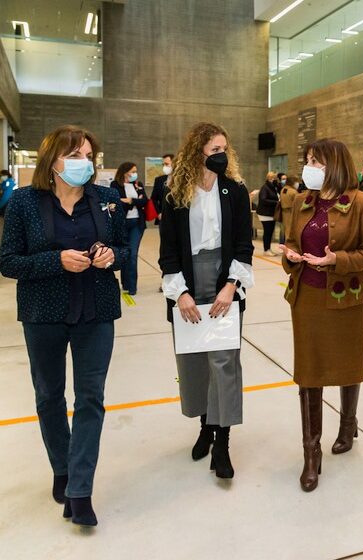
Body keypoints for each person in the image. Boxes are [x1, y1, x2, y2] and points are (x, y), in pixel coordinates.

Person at [0, 125, 128, 527]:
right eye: (76, 156)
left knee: (90, 398)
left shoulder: (106, 200)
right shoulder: (23, 203)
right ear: (53, 161)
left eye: (89, 156)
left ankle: (81, 490)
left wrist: (111, 257)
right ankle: (62, 467)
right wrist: (55, 261)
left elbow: (124, 250)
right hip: (43, 314)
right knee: (49, 396)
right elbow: (8, 262)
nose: (84, 163)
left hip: (96, 311)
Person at [278, 139, 363, 492]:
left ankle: (348, 422)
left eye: (316, 162)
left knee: (347, 364)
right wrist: (289, 256)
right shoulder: (300, 202)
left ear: (335, 165)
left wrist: (337, 260)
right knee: (309, 373)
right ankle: (311, 452)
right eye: (307, 160)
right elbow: (291, 244)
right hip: (306, 298)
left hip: (345, 299)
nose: (309, 167)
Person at [158, 122, 254, 480]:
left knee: (225, 362)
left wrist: (231, 285)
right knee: (195, 361)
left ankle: (223, 443)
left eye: (225, 150)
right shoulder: (175, 194)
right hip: (187, 279)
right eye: (215, 150)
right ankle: (205, 428)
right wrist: (179, 292)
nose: (222, 156)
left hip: (224, 277)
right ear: (198, 151)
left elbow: (244, 244)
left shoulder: (235, 190)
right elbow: (168, 250)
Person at [111, 162, 147, 295]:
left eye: (135, 171)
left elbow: (145, 201)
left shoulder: (138, 185)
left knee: (132, 254)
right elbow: (116, 202)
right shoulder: (115, 185)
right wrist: (132, 201)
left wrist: (130, 201)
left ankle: (132, 287)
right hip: (122, 224)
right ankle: (125, 283)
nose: (134, 174)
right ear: (125, 172)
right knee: (124, 254)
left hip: (137, 224)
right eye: (132, 171)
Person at [257, 171, 280, 256]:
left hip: (270, 213)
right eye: (274, 178)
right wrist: (277, 202)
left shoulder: (272, 187)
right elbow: (263, 200)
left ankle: (268, 249)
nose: (275, 180)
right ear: (270, 178)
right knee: (267, 232)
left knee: (270, 232)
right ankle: (266, 250)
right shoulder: (265, 187)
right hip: (265, 214)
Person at [151, 153, 174, 226]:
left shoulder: (182, 179)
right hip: (163, 217)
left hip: (178, 217)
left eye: (166, 164)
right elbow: (153, 198)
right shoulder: (159, 180)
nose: (164, 167)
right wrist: (158, 213)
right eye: (163, 164)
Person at [279, 175, 299, 241]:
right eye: (296, 181)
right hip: (291, 213)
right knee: (290, 232)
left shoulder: (283, 189)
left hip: (284, 213)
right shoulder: (293, 191)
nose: (297, 183)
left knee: (285, 231)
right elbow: (298, 203)